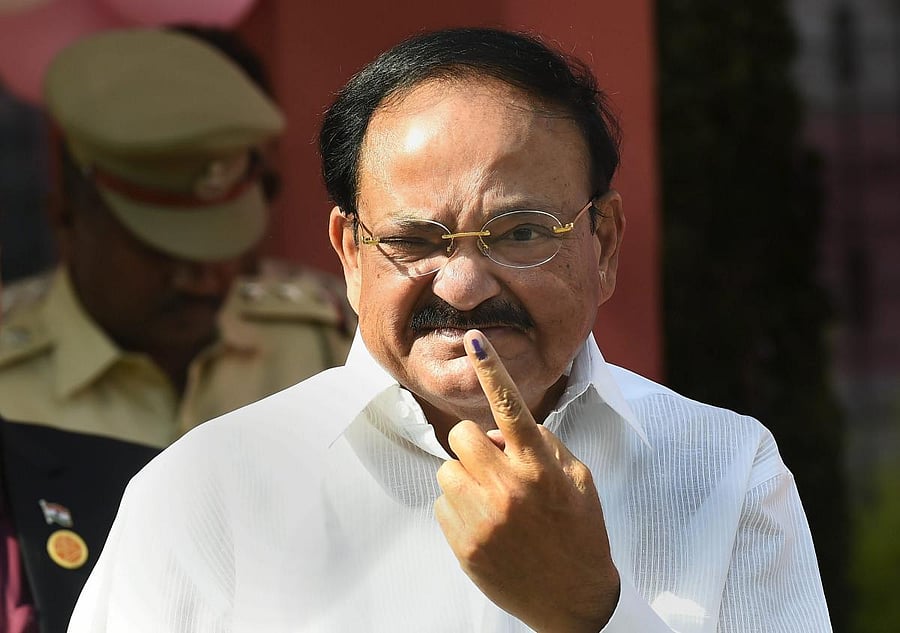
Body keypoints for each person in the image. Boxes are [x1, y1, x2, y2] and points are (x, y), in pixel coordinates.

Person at [68, 27, 832, 632]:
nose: (463, 286)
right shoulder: (205, 490)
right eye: (414, 240)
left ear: (605, 242)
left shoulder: (725, 472)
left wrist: (588, 612)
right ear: (350, 253)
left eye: (522, 232)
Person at [0, 27, 353, 633]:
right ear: (66, 217)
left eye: (221, 243)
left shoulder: (329, 333)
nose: (199, 279)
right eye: (160, 249)